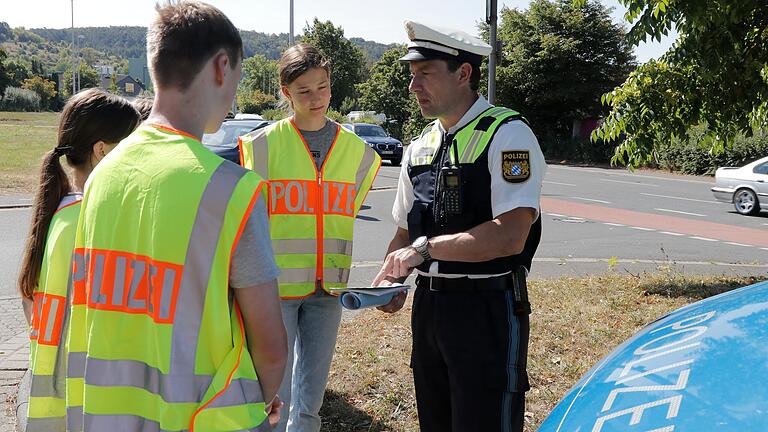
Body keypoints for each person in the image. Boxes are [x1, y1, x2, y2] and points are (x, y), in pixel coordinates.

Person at [64, 2, 287, 431]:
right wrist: (262, 400)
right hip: (204, 419)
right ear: (222, 67)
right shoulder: (232, 190)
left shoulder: (100, 177)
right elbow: (271, 346)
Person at [372, 21, 546, 432]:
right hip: (430, 309)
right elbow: (402, 231)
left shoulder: (508, 134)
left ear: (463, 73)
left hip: (486, 308)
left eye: (425, 74)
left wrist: (426, 249)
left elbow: (510, 233)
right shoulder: (418, 146)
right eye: (412, 76)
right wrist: (389, 280)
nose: (414, 86)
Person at [239, 43, 381, 432]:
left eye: (323, 87)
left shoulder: (359, 152)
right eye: (304, 91)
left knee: (311, 401)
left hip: (329, 290)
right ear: (285, 93)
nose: (316, 98)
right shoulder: (261, 147)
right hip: (275, 288)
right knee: (273, 396)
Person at [16, 88, 140, 432]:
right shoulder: (94, 221)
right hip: (87, 402)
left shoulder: (61, 212)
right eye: (131, 147)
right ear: (101, 151)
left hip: (58, 404)